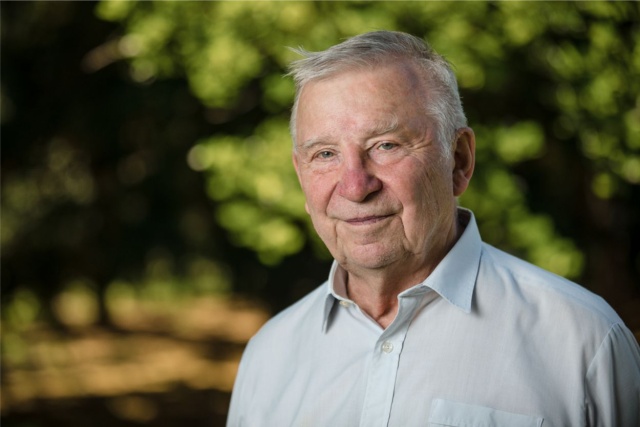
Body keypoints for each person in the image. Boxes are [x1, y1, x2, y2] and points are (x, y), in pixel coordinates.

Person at [226, 31, 640, 427]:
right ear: (301, 176)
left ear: (458, 160)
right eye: (326, 154)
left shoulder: (584, 342)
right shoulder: (269, 355)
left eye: (385, 145)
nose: (354, 186)